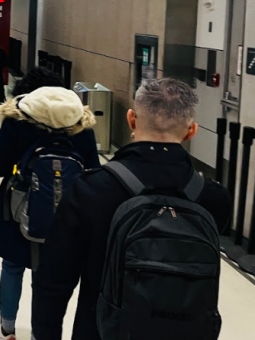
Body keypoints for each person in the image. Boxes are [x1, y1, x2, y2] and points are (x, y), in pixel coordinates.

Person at [31, 78, 232, 340]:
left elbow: (53, 281)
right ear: (191, 130)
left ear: (131, 120)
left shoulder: (92, 189)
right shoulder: (214, 199)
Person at [0, 71, 100, 340]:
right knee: (48, 277)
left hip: (17, 208)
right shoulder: (80, 122)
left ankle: (7, 328)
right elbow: (93, 171)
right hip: (66, 212)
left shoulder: (17, 119)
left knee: (12, 265)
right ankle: (41, 333)